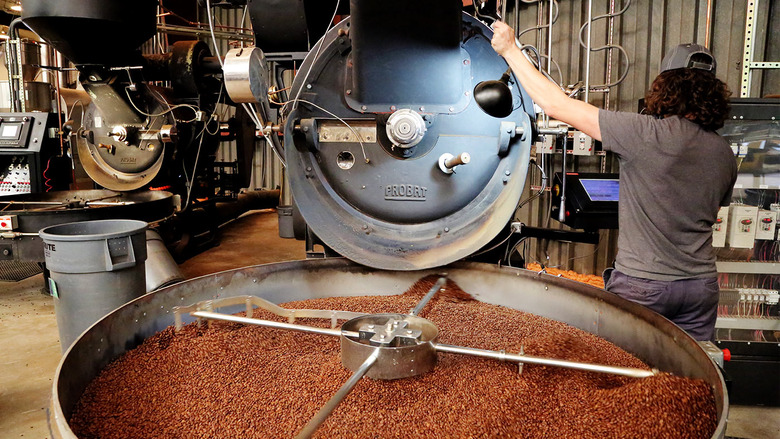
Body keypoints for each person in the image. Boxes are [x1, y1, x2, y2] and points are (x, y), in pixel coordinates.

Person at [490, 21, 736, 341]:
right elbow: (707, 210)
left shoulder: (644, 134)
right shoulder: (724, 153)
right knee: (694, 368)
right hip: (700, 287)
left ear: (667, 87)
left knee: (625, 369)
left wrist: (510, 49)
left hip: (644, 285)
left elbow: (556, 105)